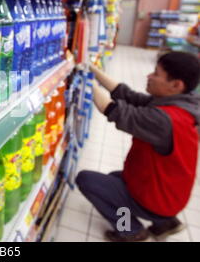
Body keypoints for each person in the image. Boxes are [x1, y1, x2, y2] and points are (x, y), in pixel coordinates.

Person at [76, 51, 200, 242]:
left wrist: (86, 80)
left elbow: (112, 110)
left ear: (176, 85)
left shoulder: (165, 120)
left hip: (159, 201)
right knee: (112, 180)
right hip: (170, 194)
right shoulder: (182, 103)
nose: (149, 76)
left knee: (87, 180)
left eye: (156, 74)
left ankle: (131, 231)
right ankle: (165, 223)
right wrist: (91, 68)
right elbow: (126, 95)